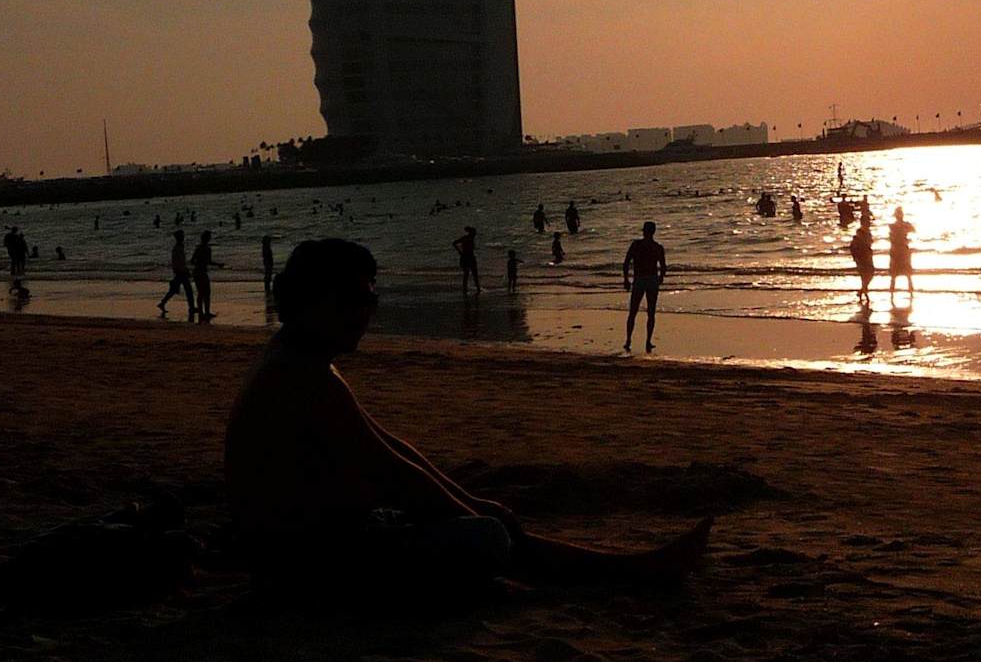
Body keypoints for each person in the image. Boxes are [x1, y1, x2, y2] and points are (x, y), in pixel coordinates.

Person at [224, 239, 710, 604]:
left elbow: (389, 446)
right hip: (303, 564)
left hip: (312, 544)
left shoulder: (301, 362)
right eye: (353, 300)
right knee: (486, 538)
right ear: (313, 301)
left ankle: (624, 568)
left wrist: (472, 503)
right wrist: (471, 514)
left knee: (486, 526)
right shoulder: (302, 378)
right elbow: (391, 473)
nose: (365, 314)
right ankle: (621, 573)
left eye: (371, 300)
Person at [621, 221, 666, 352]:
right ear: (654, 231)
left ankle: (628, 340)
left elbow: (626, 262)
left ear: (643, 231)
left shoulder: (636, 245)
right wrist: (660, 278)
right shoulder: (657, 247)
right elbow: (663, 266)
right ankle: (648, 341)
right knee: (651, 312)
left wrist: (626, 278)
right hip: (651, 279)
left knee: (633, 311)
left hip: (639, 279)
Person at [159, 229, 195, 319]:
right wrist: (185, 271)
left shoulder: (179, 247)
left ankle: (163, 303)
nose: (183, 237)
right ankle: (191, 307)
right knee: (188, 290)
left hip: (180, 271)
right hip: (180, 272)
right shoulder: (177, 249)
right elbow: (178, 262)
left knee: (174, 290)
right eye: (182, 236)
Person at [191, 229, 220, 321]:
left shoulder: (201, 248)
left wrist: (217, 264)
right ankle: (204, 312)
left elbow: (193, 261)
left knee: (203, 292)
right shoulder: (205, 249)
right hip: (200, 272)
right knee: (204, 292)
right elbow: (207, 261)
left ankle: (204, 312)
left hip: (199, 272)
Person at [886, 207, 915, 298]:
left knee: (895, 274)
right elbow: (913, 230)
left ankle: (892, 294)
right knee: (907, 274)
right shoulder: (904, 225)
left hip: (896, 250)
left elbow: (891, 238)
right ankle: (910, 293)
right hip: (902, 249)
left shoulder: (892, 226)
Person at [849, 214, 875, 304]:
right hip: (862, 257)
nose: (868, 223)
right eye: (867, 222)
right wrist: (856, 258)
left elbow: (869, 243)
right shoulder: (860, 233)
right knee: (865, 276)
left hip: (868, 256)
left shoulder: (867, 232)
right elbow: (854, 246)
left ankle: (861, 291)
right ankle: (865, 294)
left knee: (870, 274)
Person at [454, 227, 481, 294]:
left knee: (468, 274)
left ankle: (467, 289)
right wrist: (459, 251)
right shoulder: (467, 238)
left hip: (466, 257)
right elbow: (454, 243)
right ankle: (477, 289)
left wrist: (460, 251)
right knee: (473, 274)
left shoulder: (466, 238)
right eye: (474, 233)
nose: (475, 234)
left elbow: (455, 243)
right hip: (468, 257)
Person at [260, 234, 276, 303]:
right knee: (268, 274)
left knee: (268, 274)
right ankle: (267, 287)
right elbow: (267, 256)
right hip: (268, 262)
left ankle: (267, 287)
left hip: (268, 262)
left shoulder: (265, 247)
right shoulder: (266, 248)